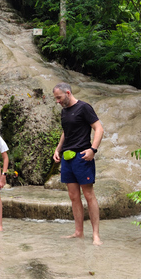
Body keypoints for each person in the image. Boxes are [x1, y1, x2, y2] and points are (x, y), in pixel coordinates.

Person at [52, 82, 104, 245]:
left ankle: (96, 235)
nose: (58, 101)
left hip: (82, 156)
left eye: (59, 97)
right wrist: (58, 149)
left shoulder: (84, 108)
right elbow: (65, 132)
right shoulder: (64, 112)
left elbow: (99, 128)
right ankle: (78, 232)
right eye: (56, 99)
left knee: (89, 195)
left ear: (68, 93)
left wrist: (93, 149)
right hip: (67, 158)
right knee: (74, 196)